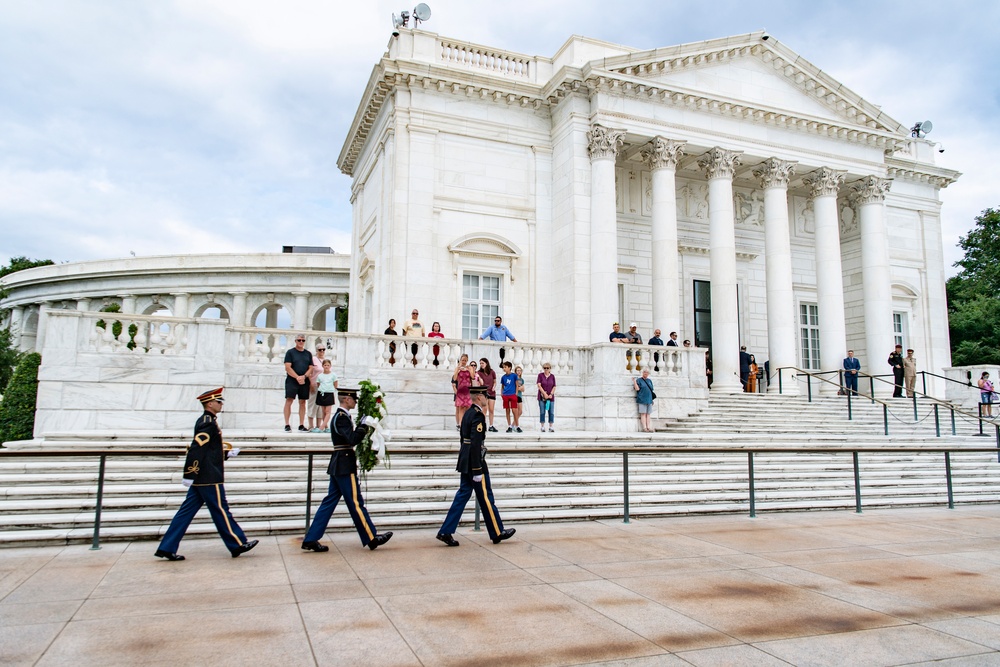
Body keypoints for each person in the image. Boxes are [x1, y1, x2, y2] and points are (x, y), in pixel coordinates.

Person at [155, 388, 258, 561]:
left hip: (203, 477)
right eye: (218, 401)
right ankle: (237, 543)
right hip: (209, 477)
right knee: (221, 510)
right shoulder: (207, 422)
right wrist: (189, 472)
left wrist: (226, 454)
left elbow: (209, 449)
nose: (221, 404)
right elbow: (197, 449)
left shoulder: (208, 421)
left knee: (185, 513)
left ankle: (167, 547)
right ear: (210, 403)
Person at [301, 388, 393, 553]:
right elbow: (351, 439)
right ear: (346, 400)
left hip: (339, 462)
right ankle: (371, 537)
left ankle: (311, 538)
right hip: (344, 463)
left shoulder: (341, 416)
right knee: (356, 502)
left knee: (329, 502)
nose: (355, 402)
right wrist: (363, 426)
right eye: (353, 399)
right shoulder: (342, 417)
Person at [436, 385, 516, 548]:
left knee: (463, 495)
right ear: (479, 396)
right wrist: (477, 469)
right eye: (486, 395)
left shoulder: (467, 414)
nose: (487, 398)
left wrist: (466, 461)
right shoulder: (478, 416)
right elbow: (475, 443)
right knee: (486, 497)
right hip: (475, 463)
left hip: (466, 460)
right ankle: (497, 531)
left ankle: (446, 531)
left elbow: (463, 441)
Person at [283, 334, 313, 432]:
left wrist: (304, 376)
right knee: (289, 400)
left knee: (303, 402)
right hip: (292, 380)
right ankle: (287, 424)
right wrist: (297, 377)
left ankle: (301, 424)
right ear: (295, 341)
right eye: (299, 340)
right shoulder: (290, 352)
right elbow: (288, 367)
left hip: (304, 380)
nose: (301, 342)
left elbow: (311, 367)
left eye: (303, 340)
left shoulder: (308, 353)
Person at [306, 344, 327, 432]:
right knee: (312, 404)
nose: (322, 351)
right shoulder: (313, 359)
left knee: (320, 406)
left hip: (323, 386)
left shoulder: (325, 361)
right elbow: (310, 372)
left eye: (323, 349)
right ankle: (311, 425)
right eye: (320, 350)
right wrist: (310, 383)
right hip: (314, 384)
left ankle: (318, 425)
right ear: (317, 351)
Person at [315, 359, 339, 432]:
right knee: (323, 411)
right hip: (322, 393)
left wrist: (330, 389)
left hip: (329, 393)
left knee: (328, 411)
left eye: (328, 365)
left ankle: (321, 427)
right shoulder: (320, 376)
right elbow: (318, 384)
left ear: (330, 366)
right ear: (322, 366)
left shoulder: (333, 375)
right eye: (325, 365)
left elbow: (335, 384)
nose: (326, 366)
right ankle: (326, 427)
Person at [452, 353, 474, 430]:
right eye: (462, 360)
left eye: (465, 360)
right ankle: (461, 425)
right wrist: (458, 369)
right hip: (460, 390)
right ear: (460, 360)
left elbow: (472, 376)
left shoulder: (470, 368)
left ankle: (467, 424)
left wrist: (469, 369)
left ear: (467, 360)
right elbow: (454, 378)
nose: (464, 362)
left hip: (468, 390)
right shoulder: (457, 368)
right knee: (461, 408)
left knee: (468, 407)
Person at [478, 358, 498, 432]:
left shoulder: (492, 372)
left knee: (491, 410)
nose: (481, 365)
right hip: (483, 392)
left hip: (491, 392)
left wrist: (494, 386)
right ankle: (483, 424)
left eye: (482, 363)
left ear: (486, 363)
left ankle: (491, 425)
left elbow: (495, 381)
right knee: (484, 409)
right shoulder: (479, 373)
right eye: (480, 363)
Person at [499, 361, 520, 433]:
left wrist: (516, 393)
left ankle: (517, 426)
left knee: (514, 410)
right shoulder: (503, 377)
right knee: (507, 410)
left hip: (513, 394)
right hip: (505, 395)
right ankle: (509, 426)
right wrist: (501, 394)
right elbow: (502, 386)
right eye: (503, 367)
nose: (504, 369)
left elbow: (517, 385)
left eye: (505, 367)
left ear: (509, 367)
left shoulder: (514, 376)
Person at [537, 362, 556, 431]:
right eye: (544, 368)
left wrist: (551, 394)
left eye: (547, 368)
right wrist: (544, 394)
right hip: (542, 397)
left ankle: (551, 426)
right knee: (542, 412)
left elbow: (554, 386)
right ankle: (542, 426)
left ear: (550, 369)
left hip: (550, 397)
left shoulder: (552, 376)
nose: (546, 369)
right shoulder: (540, 375)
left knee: (551, 412)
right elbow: (539, 385)